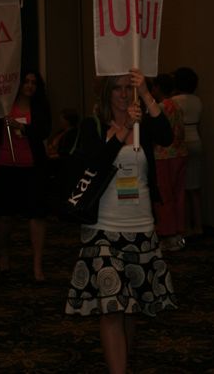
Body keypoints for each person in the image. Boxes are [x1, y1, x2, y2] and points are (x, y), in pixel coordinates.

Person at [65, 68, 177, 374]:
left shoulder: (144, 125)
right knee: (112, 308)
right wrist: (122, 130)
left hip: (140, 226)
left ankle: (124, 363)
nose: (124, 94)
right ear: (106, 94)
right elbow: (96, 163)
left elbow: (167, 136)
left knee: (130, 310)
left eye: (130, 88)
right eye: (118, 89)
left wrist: (147, 96)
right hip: (103, 228)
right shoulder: (94, 125)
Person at [0, 69, 51, 282]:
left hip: (32, 168)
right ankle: (4, 256)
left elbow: (44, 131)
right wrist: (0, 117)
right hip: (5, 167)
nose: (30, 86)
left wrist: (21, 126)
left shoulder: (40, 107)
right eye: (26, 82)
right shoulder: (4, 104)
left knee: (37, 215)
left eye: (33, 82)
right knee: (4, 218)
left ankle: (37, 265)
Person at [151, 73, 187, 251]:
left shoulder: (159, 108)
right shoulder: (177, 105)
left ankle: (168, 234)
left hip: (163, 155)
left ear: (157, 88)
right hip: (180, 152)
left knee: (163, 195)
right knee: (178, 194)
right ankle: (179, 231)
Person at [172, 67, 203, 236]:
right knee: (195, 188)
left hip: (182, 143)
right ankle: (198, 226)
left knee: (181, 187)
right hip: (196, 140)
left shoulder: (174, 101)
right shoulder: (197, 101)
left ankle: (184, 226)